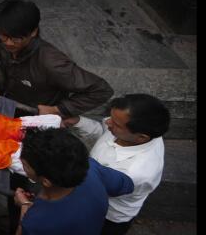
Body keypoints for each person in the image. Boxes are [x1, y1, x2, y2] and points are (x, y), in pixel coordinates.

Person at [0, 0, 114, 233]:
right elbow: (3, 68)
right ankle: (14, 211)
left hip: (39, 128)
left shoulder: (52, 62)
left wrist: (59, 110)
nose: (7, 43)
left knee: (24, 176)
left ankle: (24, 220)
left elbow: (101, 90)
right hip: (13, 113)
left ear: (33, 32)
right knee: (8, 168)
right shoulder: (5, 42)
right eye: (2, 36)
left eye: (15, 38)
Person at [63, 94, 169, 234]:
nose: (108, 123)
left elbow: (88, 186)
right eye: (110, 117)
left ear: (141, 137)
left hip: (106, 216)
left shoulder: (133, 172)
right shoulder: (132, 130)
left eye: (115, 123)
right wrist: (77, 121)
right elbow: (103, 132)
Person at [14, 128, 134, 235]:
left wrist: (25, 206)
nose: (22, 164)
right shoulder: (91, 168)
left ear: (46, 181)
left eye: (25, 165)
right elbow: (126, 185)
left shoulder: (37, 221)